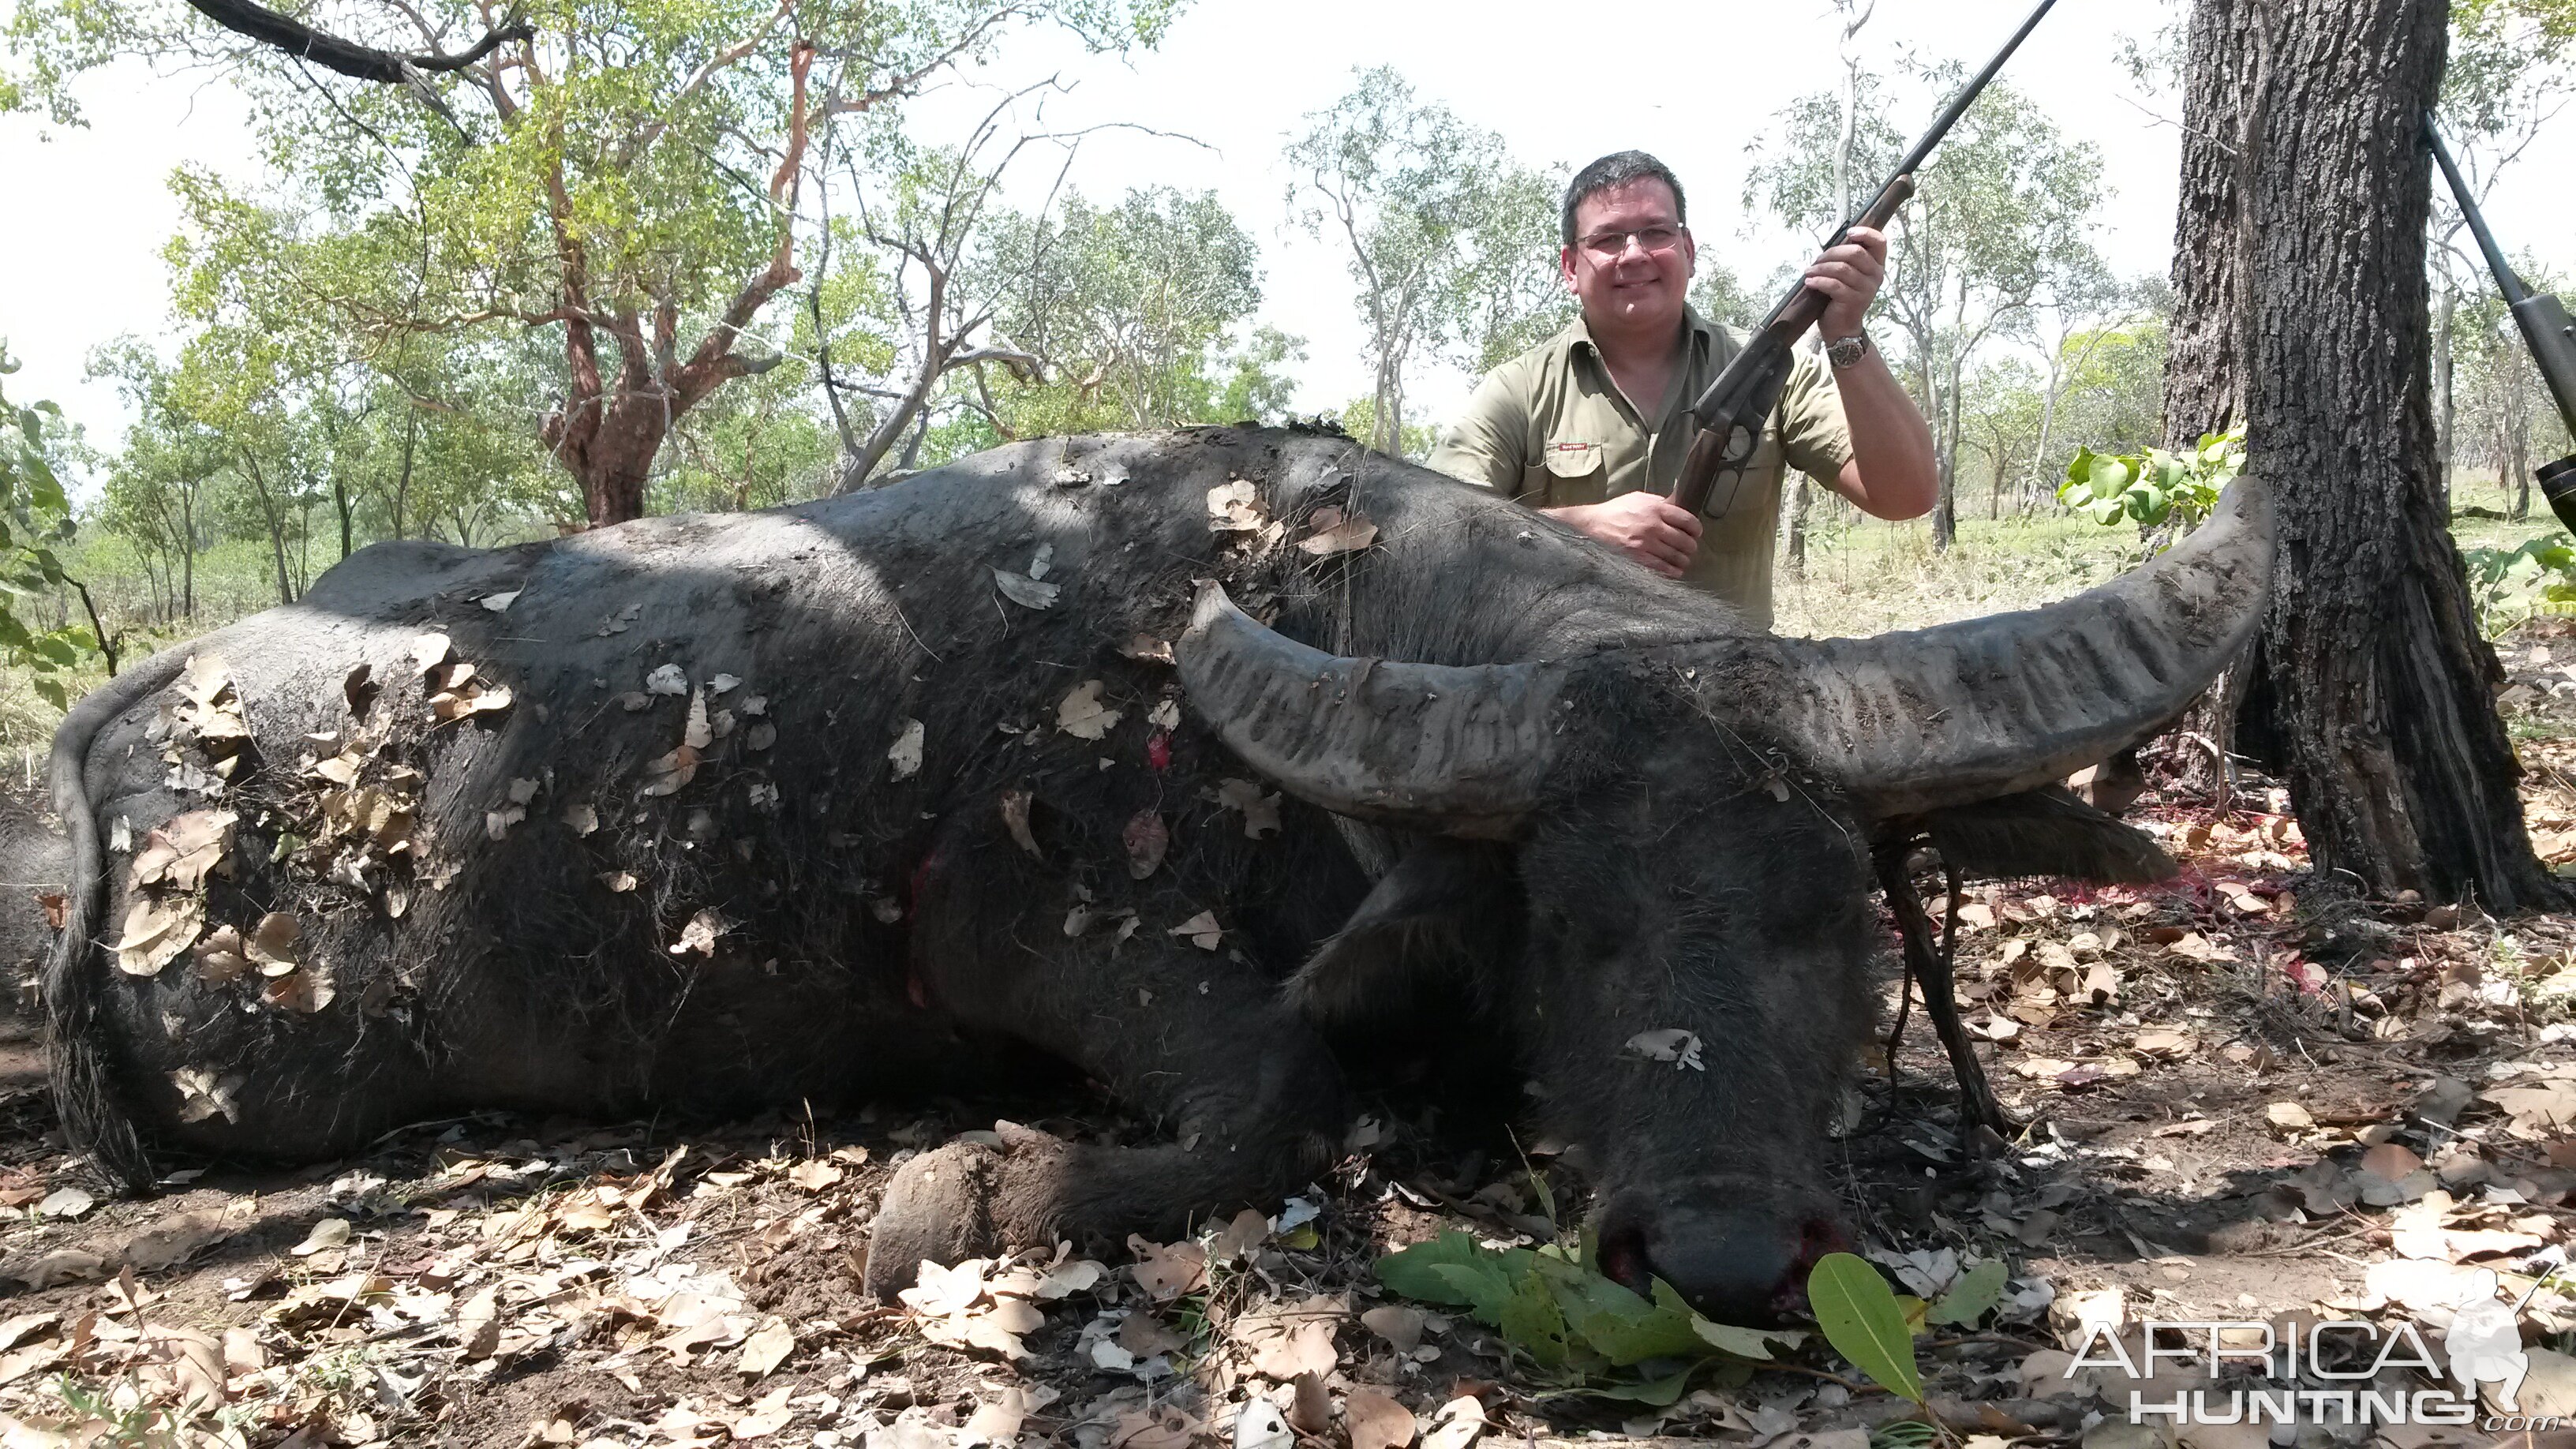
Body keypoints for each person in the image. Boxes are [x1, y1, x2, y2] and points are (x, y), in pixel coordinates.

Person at [1425, 151, 1938, 629]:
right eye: (1607, 239)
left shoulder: (1781, 373)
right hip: (1559, 694)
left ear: (1688, 250)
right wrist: (1578, 531)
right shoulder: (1519, 389)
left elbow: (1906, 496)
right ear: (1570, 268)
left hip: (1740, 693)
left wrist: (1845, 334)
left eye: (1655, 232)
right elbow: (1432, 534)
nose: (1634, 255)